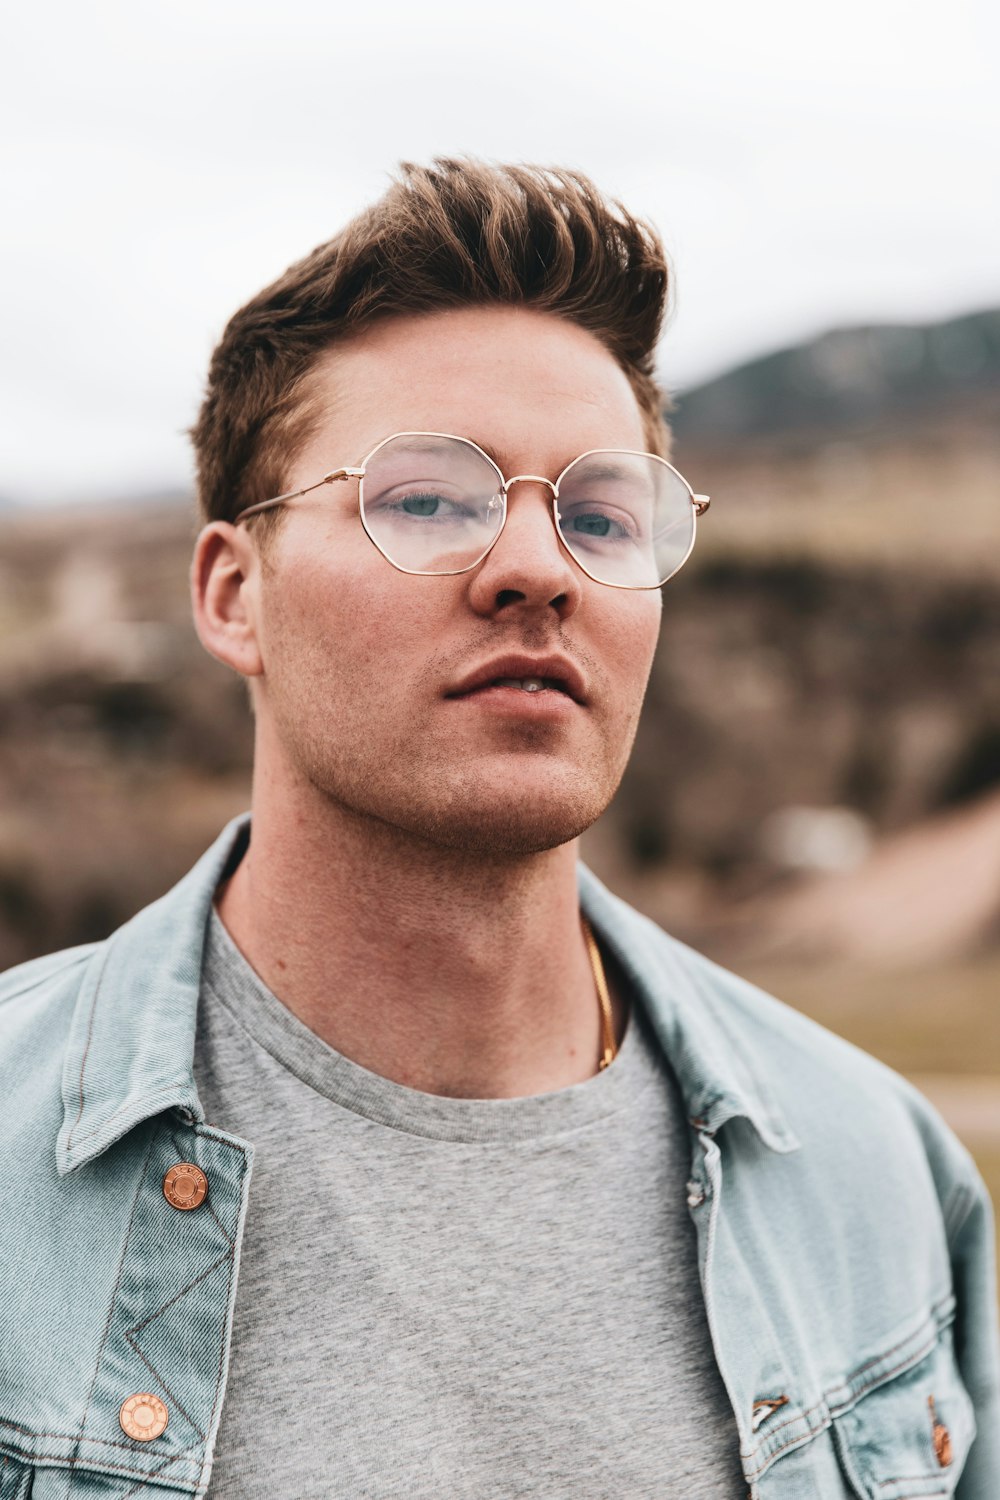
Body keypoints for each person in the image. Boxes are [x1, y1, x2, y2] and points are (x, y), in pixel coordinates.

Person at [0, 159, 996, 1500]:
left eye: (600, 515)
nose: (538, 569)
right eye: (427, 499)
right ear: (235, 595)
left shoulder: (876, 1179)